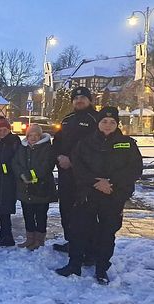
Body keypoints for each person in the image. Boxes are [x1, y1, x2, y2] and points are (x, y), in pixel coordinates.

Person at [56, 107, 142, 285]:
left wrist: (111, 183)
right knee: (79, 230)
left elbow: (134, 169)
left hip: (113, 195)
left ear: (117, 124)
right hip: (88, 194)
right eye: (104, 121)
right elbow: (78, 166)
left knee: (106, 233)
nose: (108, 125)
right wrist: (97, 182)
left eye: (112, 122)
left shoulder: (127, 143)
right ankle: (74, 264)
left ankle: (102, 268)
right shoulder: (86, 142)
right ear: (98, 123)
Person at [52, 87, 98, 253]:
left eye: (83, 98)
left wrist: (73, 161)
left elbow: (95, 148)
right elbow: (57, 142)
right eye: (76, 98)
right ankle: (71, 242)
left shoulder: (96, 120)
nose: (79, 100)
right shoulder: (67, 119)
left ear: (89, 100)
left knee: (85, 213)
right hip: (66, 174)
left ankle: (87, 247)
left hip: (85, 176)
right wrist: (58, 157)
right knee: (66, 209)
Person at [12, 124, 56, 250]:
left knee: (41, 215)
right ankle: (29, 238)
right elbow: (15, 162)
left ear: (40, 136)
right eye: (30, 135)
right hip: (25, 188)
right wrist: (22, 174)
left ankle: (39, 240)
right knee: (28, 214)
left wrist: (31, 175)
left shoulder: (47, 148)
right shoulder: (22, 148)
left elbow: (46, 166)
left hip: (42, 188)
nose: (33, 137)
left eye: (36, 135)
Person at [0, 118, 21, 246]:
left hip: (8, 181)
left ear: (9, 130)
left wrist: (2, 168)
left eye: (4, 130)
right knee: (0, 209)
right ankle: (3, 233)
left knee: (5, 209)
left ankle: (8, 236)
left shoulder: (14, 142)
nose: (2, 132)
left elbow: (15, 161)